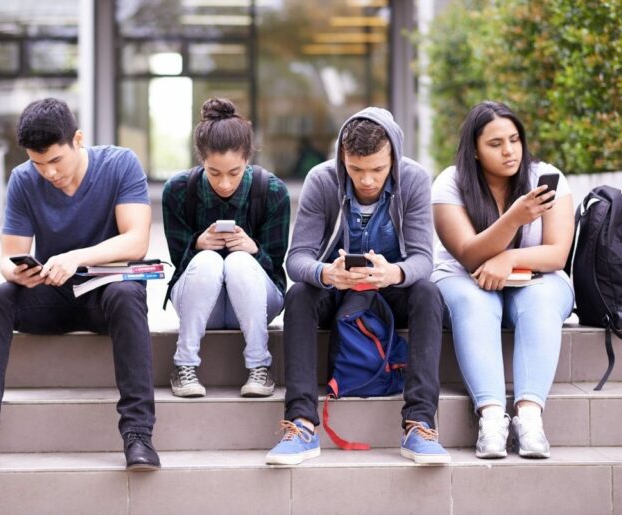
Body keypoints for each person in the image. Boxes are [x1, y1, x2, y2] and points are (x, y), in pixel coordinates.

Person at [0, 98, 160, 472]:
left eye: (56, 161)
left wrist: (77, 257)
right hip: (54, 293)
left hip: (107, 292)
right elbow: (9, 256)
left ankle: (138, 435)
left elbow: (136, 241)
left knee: (126, 293)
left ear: (77, 139)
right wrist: (15, 272)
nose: (49, 173)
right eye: (39, 164)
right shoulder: (25, 178)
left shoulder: (120, 164)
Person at [266, 107, 450, 466]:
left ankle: (420, 424)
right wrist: (326, 274)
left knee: (429, 293)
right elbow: (297, 258)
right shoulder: (321, 180)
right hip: (337, 289)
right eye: (356, 170)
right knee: (299, 295)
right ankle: (302, 424)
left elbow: (424, 260)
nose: (367, 181)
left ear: (393, 158)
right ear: (343, 159)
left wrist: (393, 274)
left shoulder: (413, 179)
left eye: (378, 170)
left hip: (390, 288)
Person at [431, 101, 574, 459]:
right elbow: (467, 253)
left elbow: (557, 253)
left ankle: (529, 419)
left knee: (539, 301)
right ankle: (492, 419)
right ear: (475, 151)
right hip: (464, 279)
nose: (509, 151)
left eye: (514, 139)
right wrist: (514, 218)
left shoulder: (546, 178)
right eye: (495, 144)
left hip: (537, 281)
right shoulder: (452, 182)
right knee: (474, 301)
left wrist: (508, 257)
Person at [162, 98, 290, 398]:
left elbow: (277, 269)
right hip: (198, 304)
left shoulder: (271, 191)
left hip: (256, 303)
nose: (224, 183)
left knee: (239, 263)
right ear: (201, 160)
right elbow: (179, 268)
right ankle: (184, 365)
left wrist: (253, 250)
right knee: (207, 260)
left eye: (234, 172)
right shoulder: (179, 191)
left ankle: (259, 366)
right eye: (213, 172)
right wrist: (197, 245)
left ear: (248, 159)